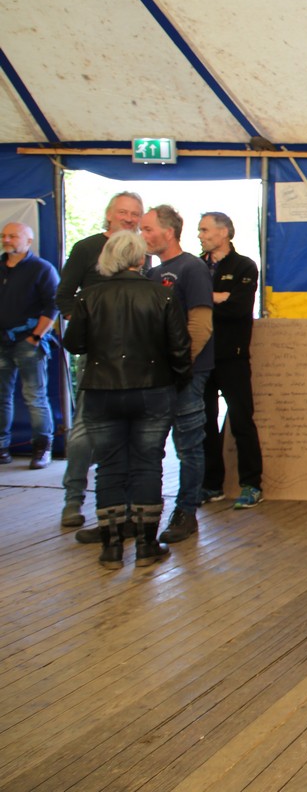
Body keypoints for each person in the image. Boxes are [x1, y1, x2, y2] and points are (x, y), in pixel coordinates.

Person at [62, 231, 190, 569]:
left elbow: (74, 344)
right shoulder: (162, 295)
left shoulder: (88, 296)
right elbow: (180, 348)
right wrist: (177, 381)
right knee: (148, 464)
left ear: (108, 258)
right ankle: (147, 546)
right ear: (140, 258)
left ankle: (111, 548)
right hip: (153, 390)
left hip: (102, 391)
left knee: (109, 466)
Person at [57, 191, 144, 529]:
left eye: (135, 214)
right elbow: (64, 295)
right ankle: (73, 499)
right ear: (109, 214)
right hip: (96, 356)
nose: (129, 218)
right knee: (84, 430)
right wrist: (85, 325)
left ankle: (124, 506)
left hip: (136, 359)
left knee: (132, 433)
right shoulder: (86, 248)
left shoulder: (141, 252)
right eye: (123, 212)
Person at [139, 206, 213, 544]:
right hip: (158, 375)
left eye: (148, 229)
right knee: (151, 444)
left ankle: (186, 511)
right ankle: (144, 512)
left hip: (187, 373)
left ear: (168, 232)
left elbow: (201, 324)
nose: (143, 235)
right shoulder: (152, 273)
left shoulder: (191, 268)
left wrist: (183, 366)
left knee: (189, 444)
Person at [197, 212, 264, 509]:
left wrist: (208, 300)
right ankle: (212, 485)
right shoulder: (195, 266)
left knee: (241, 420)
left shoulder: (244, 266)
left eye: (205, 230)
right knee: (204, 422)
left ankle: (251, 484)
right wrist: (217, 296)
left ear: (223, 232)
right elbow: (185, 307)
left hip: (232, 356)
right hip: (201, 357)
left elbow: (238, 308)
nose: (200, 235)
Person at [1, 222, 59, 469]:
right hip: (2, 341)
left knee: (35, 396)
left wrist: (36, 336)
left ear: (28, 241)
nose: (7, 240)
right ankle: (2, 447)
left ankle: (42, 448)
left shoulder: (42, 269)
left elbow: (53, 305)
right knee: (1, 396)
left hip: (29, 341)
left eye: (13, 236)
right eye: (4, 236)